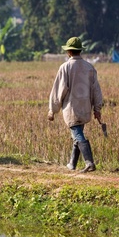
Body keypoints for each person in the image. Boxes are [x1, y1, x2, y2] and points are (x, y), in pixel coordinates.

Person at [48, 37, 103, 173]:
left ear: (69, 52)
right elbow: (96, 89)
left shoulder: (65, 67)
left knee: (77, 134)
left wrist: (52, 110)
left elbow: (59, 90)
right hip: (85, 107)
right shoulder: (89, 67)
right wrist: (97, 108)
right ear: (80, 51)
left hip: (72, 108)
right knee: (77, 134)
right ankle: (72, 164)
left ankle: (89, 162)